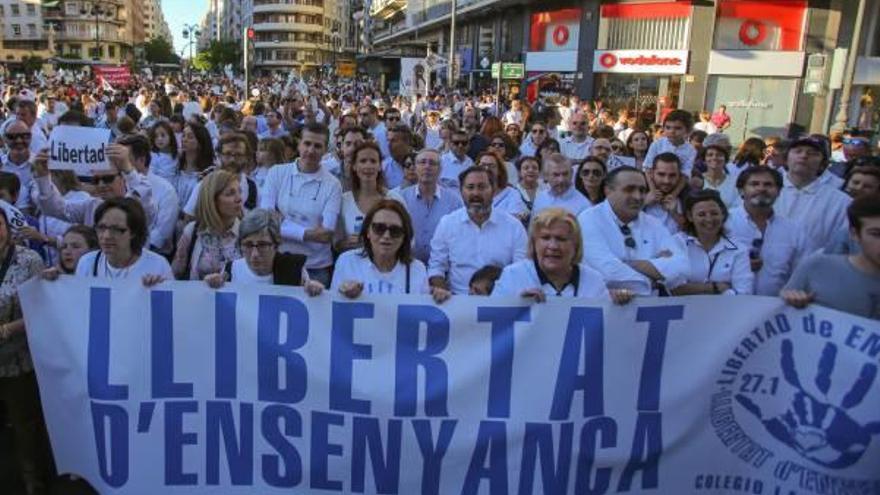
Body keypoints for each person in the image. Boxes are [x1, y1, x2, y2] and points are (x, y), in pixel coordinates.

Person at [0, 207, 54, 495]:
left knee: (24, 425)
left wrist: (8, 329)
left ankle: (33, 479)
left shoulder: (29, 260)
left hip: (18, 360)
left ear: (7, 228)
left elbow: (40, 310)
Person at [578, 166, 689, 295]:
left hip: (650, 309)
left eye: (642, 190)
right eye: (629, 189)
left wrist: (628, 264)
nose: (638, 196)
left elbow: (682, 268)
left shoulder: (653, 223)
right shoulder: (588, 219)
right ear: (608, 191)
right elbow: (607, 271)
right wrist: (653, 279)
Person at [259, 122, 341, 286]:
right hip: (279, 262)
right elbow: (266, 222)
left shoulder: (333, 184)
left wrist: (283, 224)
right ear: (299, 144)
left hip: (316, 268)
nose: (310, 150)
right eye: (307, 143)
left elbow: (325, 235)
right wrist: (308, 233)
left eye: (317, 146)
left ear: (325, 150)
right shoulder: (277, 173)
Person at [494, 208, 635, 303]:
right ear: (533, 243)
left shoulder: (594, 281)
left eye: (561, 239)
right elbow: (492, 329)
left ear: (575, 245)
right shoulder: (512, 276)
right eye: (545, 238)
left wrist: (619, 307)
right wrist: (516, 307)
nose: (553, 246)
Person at [428, 166, 528, 294]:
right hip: (457, 302)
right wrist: (442, 292)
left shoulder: (513, 226)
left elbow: (521, 271)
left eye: (482, 187)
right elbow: (437, 267)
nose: (475, 193)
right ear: (461, 191)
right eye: (470, 187)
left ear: (493, 190)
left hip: (500, 302)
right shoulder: (447, 224)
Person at [781, 195, 880, 320]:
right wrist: (789, 301)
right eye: (877, 234)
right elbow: (779, 317)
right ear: (854, 234)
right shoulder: (817, 267)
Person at [41, 198, 173, 285]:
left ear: (133, 232)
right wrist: (58, 281)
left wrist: (157, 290)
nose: (106, 236)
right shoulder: (87, 262)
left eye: (116, 229)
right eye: (102, 228)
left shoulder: (158, 265)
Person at [333, 200, 447, 300]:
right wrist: (343, 293)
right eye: (379, 228)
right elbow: (331, 308)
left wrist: (438, 298)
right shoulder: (347, 262)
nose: (386, 236)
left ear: (404, 236)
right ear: (368, 232)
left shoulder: (417, 269)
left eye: (395, 231)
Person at [32, 142, 155, 227]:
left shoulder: (137, 204)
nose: (101, 185)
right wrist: (43, 177)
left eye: (107, 179)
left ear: (123, 178)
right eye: (96, 180)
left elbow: (145, 203)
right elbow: (56, 210)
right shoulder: (92, 206)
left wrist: (128, 169)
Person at [203, 209, 324, 293]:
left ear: (276, 245)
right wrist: (210, 287)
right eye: (248, 245)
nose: (255, 254)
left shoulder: (294, 269)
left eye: (262, 245)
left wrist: (314, 292)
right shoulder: (231, 270)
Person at [726, 167, 805, 296]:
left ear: (779, 191)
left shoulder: (793, 231)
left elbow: (801, 274)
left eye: (768, 185)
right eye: (754, 184)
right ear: (741, 190)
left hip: (775, 310)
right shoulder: (723, 224)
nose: (761, 189)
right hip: (728, 306)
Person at [774, 137, 852, 253]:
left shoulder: (840, 202)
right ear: (786, 159)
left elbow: (842, 245)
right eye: (798, 151)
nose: (804, 156)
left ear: (822, 164)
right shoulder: (762, 190)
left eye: (813, 153)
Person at [668, 191, 753, 295]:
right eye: (701, 214)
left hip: (728, 309)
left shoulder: (739, 249)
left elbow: (744, 292)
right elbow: (674, 288)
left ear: (723, 214)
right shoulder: (676, 243)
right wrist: (716, 288)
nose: (709, 219)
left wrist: (691, 287)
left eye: (714, 213)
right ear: (690, 217)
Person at [173, 170, 242, 281]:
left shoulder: (246, 231)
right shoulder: (192, 231)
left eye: (240, 191)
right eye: (230, 193)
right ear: (212, 200)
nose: (239, 199)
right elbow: (175, 275)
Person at [335, 142, 404, 253]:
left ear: (380, 166)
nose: (368, 166)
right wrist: (345, 243)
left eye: (373, 161)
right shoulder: (343, 201)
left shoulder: (394, 199)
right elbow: (336, 243)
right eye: (363, 161)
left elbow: (409, 238)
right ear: (354, 166)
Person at [399, 149, 463, 264]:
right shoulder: (401, 198)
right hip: (407, 265)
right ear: (416, 167)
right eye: (422, 162)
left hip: (443, 267)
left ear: (440, 170)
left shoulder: (454, 202)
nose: (427, 167)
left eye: (432, 163)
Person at [532, 153, 591, 218]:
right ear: (546, 175)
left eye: (565, 174)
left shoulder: (584, 206)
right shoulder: (540, 198)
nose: (561, 180)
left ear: (571, 173)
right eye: (556, 175)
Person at [173, 122, 215, 209]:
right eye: (183, 135)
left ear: (200, 143)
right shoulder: (176, 164)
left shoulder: (209, 172)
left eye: (190, 137)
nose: (184, 139)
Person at [476, 151, 529, 221]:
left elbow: (513, 222)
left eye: (491, 166)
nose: (486, 169)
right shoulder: (472, 193)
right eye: (482, 165)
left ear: (499, 171)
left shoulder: (511, 194)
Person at [643, 110, 697, 177]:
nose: (672, 131)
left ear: (688, 131)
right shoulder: (657, 144)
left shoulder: (691, 150)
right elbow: (648, 168)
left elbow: (685, 174)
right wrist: (652, 187)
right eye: (668, 127)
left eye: (677, 128)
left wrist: (677, 188)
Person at [643, 152, 687, 234]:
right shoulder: (639, 192)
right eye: (661, 174)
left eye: (672, 175)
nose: (666, 181)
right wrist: (643, 203)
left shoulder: (686, 196)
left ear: (679, 176)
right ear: (652, 173)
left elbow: (694, 231)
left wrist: (675, 214)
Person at [700, 144, 741, 209]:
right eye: (710, 155)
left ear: (725, 160)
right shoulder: (697, 180)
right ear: (704, 160)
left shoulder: (735, 182)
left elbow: (738, 207)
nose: (714, 158)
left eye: (719, 155)